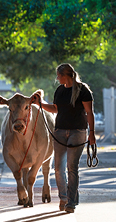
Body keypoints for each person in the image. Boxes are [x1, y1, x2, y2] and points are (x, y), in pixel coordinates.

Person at [35, 63, 96, 213]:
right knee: (58, 168)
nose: (57, 78)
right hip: (60, 131)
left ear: (64, 75)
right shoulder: (60, 90)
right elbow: (56, 109)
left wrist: (92, 133)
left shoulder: (83, 90)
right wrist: (41, 104)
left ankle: (71, 202)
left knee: (71, 167)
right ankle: (64, 197)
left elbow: (89, 112)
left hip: (78, 131)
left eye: (58, 75)